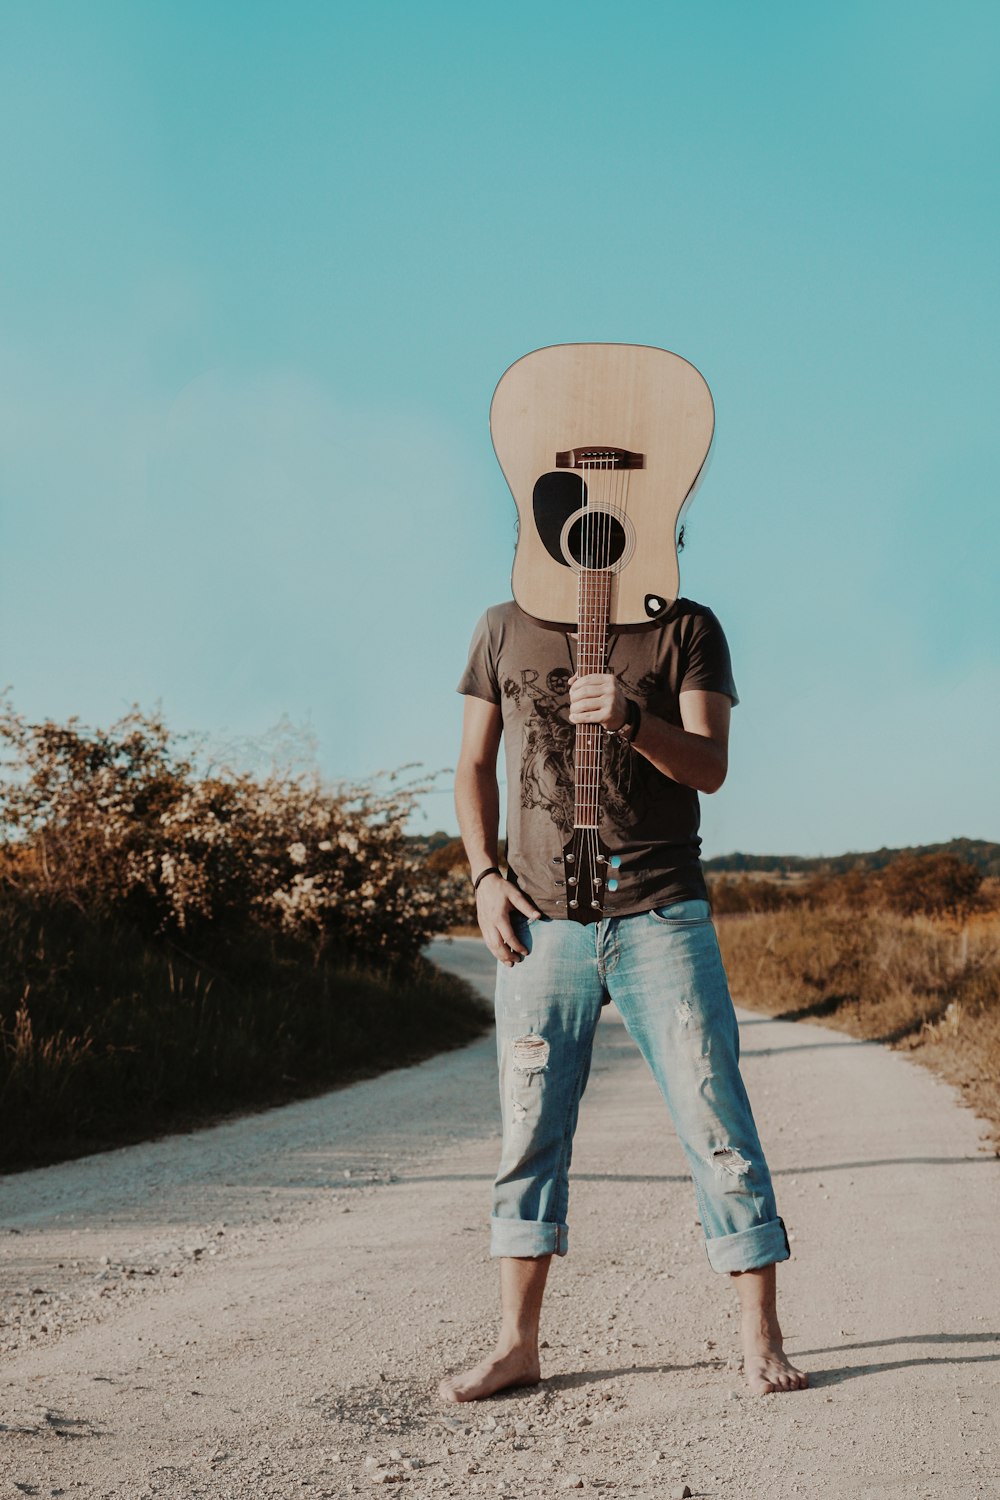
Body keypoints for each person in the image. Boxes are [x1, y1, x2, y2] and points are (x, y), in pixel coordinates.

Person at [437, 596, 808, 1400]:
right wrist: (484, 877)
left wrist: (634, 718)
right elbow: (471, 764)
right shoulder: (503, 625)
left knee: (715, 1117)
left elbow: (710, 765)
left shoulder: (687, 625)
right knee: (529, 1129)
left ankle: (761, 1337)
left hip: (661, 913)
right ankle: (516, 1346)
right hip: (540, 923)